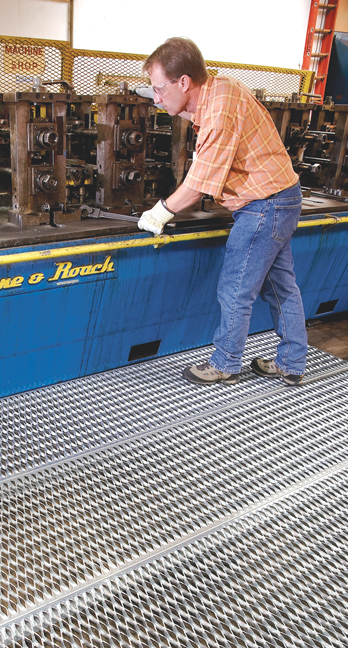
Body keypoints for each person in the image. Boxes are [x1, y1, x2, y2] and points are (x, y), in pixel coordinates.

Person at [138, 37, 307, 387]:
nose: (156, 98)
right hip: (283, 197)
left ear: (184, 82)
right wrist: (171, 102)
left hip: (263, 205)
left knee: (235, 289)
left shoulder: (218, 113)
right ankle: (292, 363)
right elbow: (193, 113)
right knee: (281, 287)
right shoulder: (221, 88)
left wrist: (161, 211)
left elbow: (200, 183)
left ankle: (225, 363)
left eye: (158, 89)